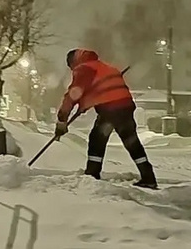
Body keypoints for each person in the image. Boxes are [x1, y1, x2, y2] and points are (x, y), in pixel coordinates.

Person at [55, 49, 158, 189]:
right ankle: (148, 177)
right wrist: (84, 105)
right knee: (131, 141)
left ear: (74, 61)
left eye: (71, 66)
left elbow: (74, 94)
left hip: (110, 109)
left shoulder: (84, 68)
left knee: (97, 140)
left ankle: (92, 175)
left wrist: (62, 119)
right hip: (125, 106)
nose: (72, 69)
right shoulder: (107, 68)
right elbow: (100, 90)